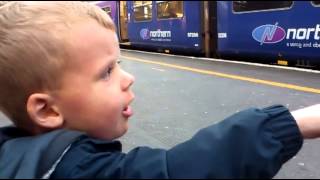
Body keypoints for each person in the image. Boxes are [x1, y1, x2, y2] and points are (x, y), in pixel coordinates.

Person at [0, 1, 319, 179]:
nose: (128, 78)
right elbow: (180, 171)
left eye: (119, 63)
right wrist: (293, 124)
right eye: (107, 72)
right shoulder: (76, 172)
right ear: (47, 110)